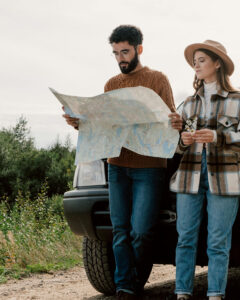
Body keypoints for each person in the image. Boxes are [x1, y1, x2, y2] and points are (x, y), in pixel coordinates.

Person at [63, 25, 182, 300]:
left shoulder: (157, 79)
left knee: (140, 231)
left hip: (150, 168)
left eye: (125, 52)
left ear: (139, 49)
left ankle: (135, 277)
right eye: (116, 53)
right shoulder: (111, 84)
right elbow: (102, 126)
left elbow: (172, 120)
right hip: (117, 166)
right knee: (120, 231)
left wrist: (178, 122)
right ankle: (125, 287)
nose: (121, 58)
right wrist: (80, 124)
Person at [169, 40, 240, 300]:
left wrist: (218, 137)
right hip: (188, 178)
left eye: (202, 60)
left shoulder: (237, 100)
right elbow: (174, 146)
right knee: (185, 237)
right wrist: (182, 141)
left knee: (218, 241)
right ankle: (181, 292)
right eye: (194, 61)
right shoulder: (187, 104)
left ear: (217, 64)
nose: (196, 64)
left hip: (227, 178)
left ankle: (215, 294)